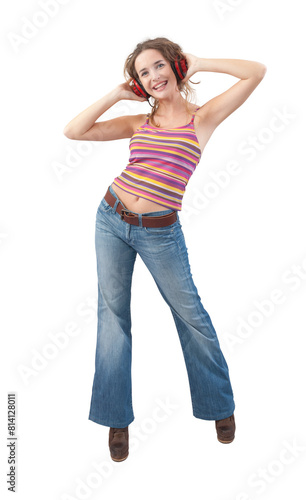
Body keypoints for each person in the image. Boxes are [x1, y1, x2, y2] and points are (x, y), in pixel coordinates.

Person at [63, 37, 266, 462]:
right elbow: (74, 131)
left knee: (192, 317)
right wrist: (117, 95)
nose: (153, 76)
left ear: (175, 67)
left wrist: (202, 62)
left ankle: (218, 407)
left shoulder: (204, 118)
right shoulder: (138, 122)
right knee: (112, 318)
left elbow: (256, 71)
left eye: (159, 66)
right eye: (142, 73)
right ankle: (116, 420)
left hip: (160, 233)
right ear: (137, 82)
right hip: (111, 218)